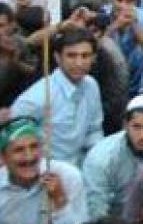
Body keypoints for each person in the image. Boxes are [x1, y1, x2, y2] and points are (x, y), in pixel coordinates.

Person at [10, 27, 103, 166]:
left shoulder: (91, 85)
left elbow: (94, 131)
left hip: (83, 168)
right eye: (71, 55)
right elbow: (10, 141)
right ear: (57, 58)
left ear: (93, 58)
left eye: (85, 56)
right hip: (46, 174)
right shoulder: (37, 97)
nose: (79, 63)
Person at [82, 94, 143, 219]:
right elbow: (97, 212)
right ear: (125, 126)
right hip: (118, 223)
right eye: (137, 127)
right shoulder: (101, 158)